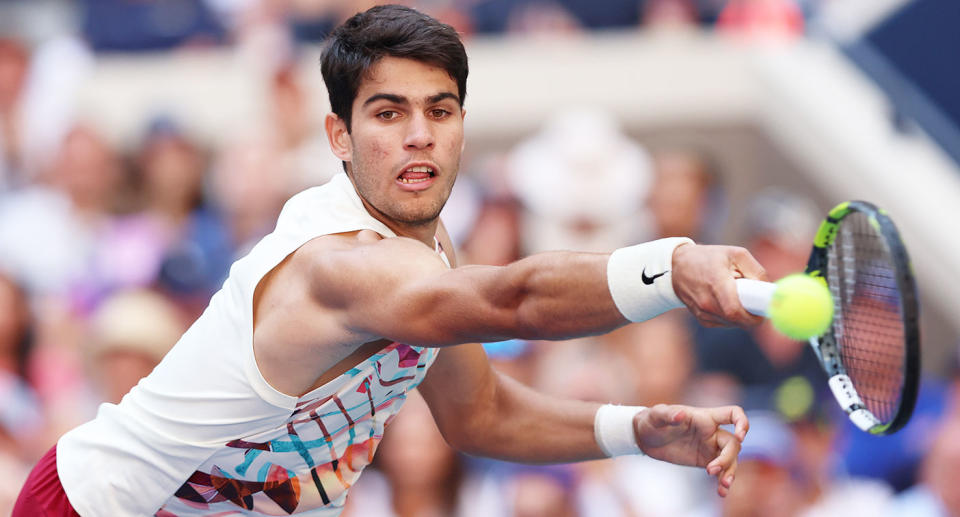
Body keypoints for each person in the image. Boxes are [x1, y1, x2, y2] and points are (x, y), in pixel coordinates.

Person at [15, 5, 767, 516]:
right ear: (338, 137)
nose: (419, 135)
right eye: (387, 112)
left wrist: (635, 430)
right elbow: (515, 301)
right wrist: (671, 266)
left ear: (462, 128)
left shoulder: (431, 252)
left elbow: (481, 413)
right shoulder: (336, 265)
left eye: (439, 111)